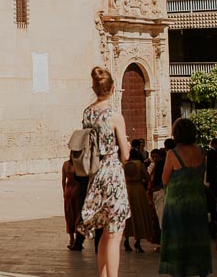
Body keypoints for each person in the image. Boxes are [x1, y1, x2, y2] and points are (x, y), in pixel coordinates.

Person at [78, 67, 131, 277]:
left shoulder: (87, 113)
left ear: (94, 88)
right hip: (112, 174)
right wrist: (123, 144)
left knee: (103, 234)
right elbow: (125, 155)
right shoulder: (115, 116)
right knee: (115, 232)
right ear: (113, 88)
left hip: (94, 175)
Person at [159, 118, 213, 277]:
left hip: (177, 203)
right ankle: (200, 270)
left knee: (178, 239)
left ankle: (180, 272)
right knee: (197, 237)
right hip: (197, 201)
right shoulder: (202, 152)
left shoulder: (172, 154)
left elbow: (164, 179)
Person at [124, 148, 159, 252]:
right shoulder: (139, 164)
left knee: (128, 217)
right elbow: (147, 177)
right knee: (139, 215)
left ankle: (126, 239)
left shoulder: (123, 164)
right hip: (138, 190)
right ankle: (137, 242)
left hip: (127, 190)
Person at [62, 157, 88, 250]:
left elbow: (63, 180)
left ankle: (72, 239)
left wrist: (64, 192)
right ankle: (77, 240)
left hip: (68, 190)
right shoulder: (79, 165)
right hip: (77, 190)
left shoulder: (65, 164)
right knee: (77, 214)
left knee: (69, 214)